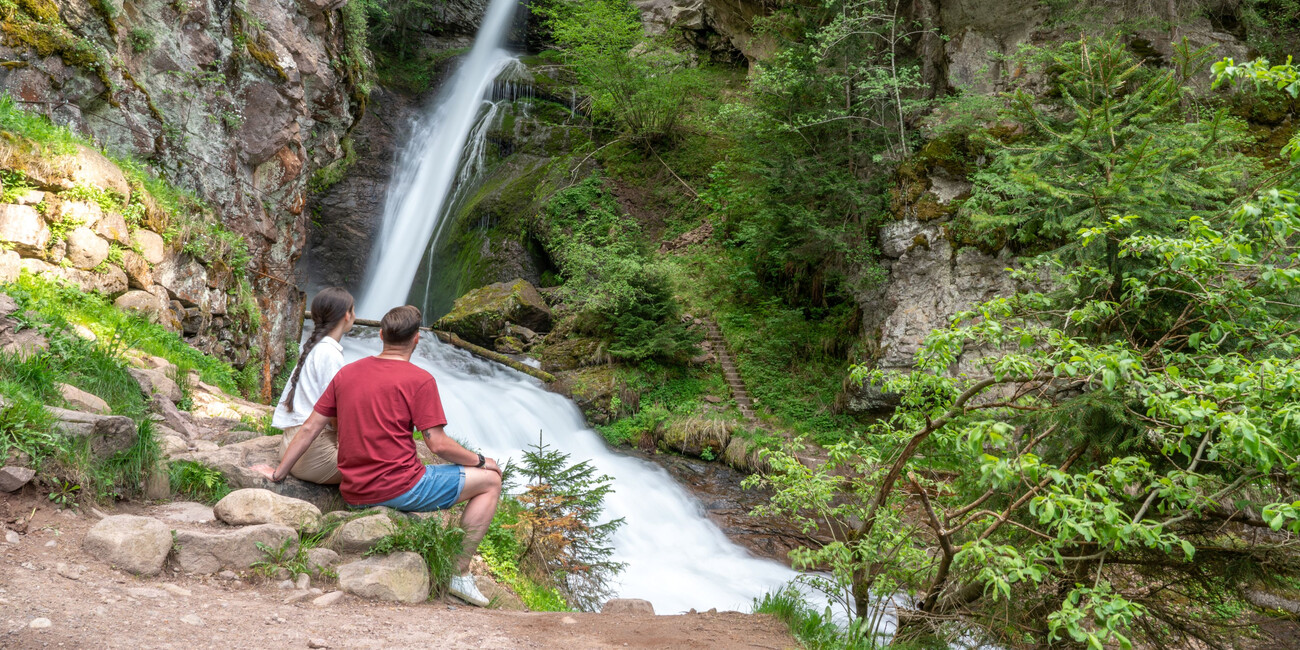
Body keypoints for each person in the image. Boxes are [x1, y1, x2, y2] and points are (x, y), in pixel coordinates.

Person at [254, 305, 503, 607]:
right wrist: (479, 460)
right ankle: (458, 573)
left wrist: (279, 473)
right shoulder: (420, 380)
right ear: (416, 340)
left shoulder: (347, 373)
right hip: (401, 488)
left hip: (354, 490)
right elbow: (437, 444)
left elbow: (309, 429)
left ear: (381, 335)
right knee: (490, 481)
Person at [270, 287, 356, 484]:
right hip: (312, 456)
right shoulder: (330, 354)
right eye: (353, 310)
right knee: (382, 463)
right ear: (346, 315)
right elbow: (334, 412)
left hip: (291, 445)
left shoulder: (316, 347)